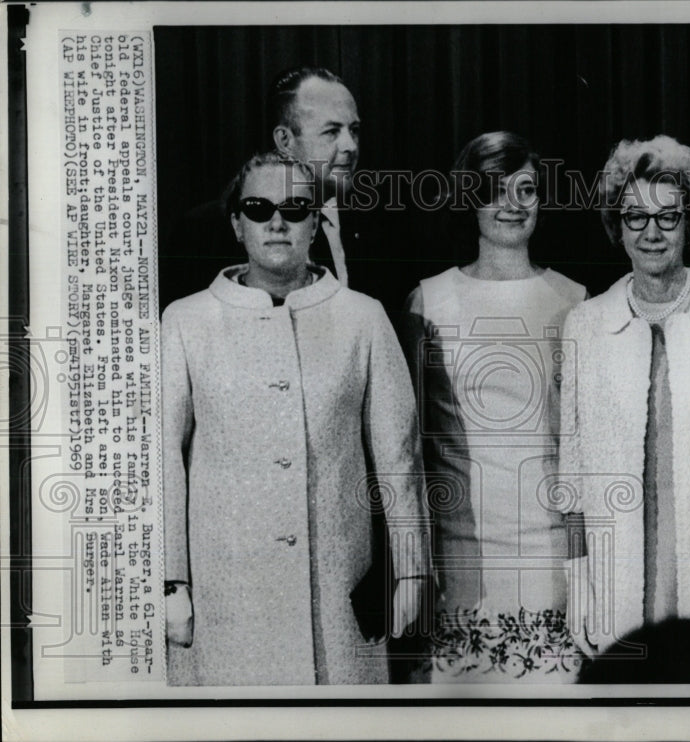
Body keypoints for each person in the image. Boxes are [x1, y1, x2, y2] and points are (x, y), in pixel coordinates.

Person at [161, 152, 427, 685]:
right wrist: (171, 583)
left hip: (337, 599)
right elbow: (164, 458)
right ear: (236, 223)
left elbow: (400, 457)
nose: (276, 222)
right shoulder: (187, 321)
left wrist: (411, 568)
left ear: (315, 223)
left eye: (295, 207)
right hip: (225, 599)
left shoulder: (362, 317)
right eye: (258, 208)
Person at [402, 131, 587, 682]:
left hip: (551, 550)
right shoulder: (425, 300)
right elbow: (409, 445)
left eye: (525, 189)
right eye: (494, 189)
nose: (511, 204)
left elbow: (583, 441)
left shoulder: (575, 300)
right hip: (461, 555)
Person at [559, 135, 690, 662]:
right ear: (616, 225)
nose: (651, 232)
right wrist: (579, 579)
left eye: (668, 217)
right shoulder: (586, 323)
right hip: (617, 577)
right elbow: (571, 472)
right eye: (634, 217)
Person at [160, 67, 399, 312]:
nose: (350, 145)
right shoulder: (205, 233)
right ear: (285, 141)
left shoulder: (380, 228)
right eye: (331, 132)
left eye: (354, 130)